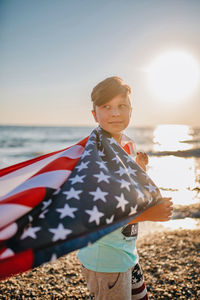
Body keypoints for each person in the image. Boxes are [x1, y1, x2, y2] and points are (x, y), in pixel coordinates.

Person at [77, 76, 173, 300]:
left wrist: (140, 171)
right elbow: (97, 212)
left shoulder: (125, 145)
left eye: (122, 106)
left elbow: (124, 192)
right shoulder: (95, 154)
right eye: (106, 107)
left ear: (131, 110)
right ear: (95, 114)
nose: (115, 113)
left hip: (126, 251)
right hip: (106, 259)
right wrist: (149, 214)